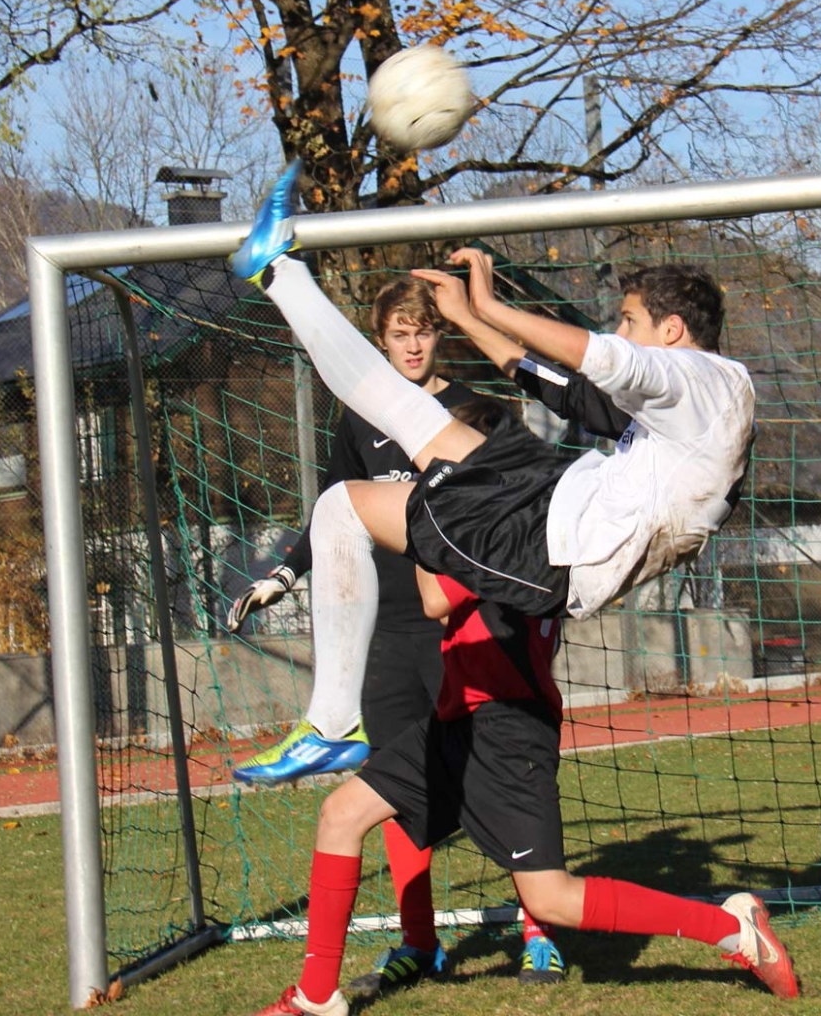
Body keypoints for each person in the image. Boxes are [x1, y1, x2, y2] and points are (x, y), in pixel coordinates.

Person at [228, 159, 755, 778]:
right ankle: (278, 269)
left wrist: (491, 305)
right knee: (397, 425)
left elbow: (598, 358)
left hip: (548, 551)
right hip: (548, 503)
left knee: (344, 503)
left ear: (671, 330)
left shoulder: (699, 382)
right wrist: (474, 321)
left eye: (629, 320)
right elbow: (573, 394)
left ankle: (332, 723)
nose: (619, 330)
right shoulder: (698, 411)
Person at [247, 564, 799, 1016]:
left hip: (506, 728)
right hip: (457, 720)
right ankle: (317, 995)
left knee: (550, 897)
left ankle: (732, 929)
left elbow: (435, 596)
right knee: (341, 813)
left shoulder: (499, 523)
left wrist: (417, 514)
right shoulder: (493, 504)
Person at [228, 296, 568, 984]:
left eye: (422, 333)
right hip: (388, 622)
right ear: (380, 341)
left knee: (508, 764)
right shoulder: (360, 416)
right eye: (398, 335)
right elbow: (333, 503)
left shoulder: (475, 411)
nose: (411, 348)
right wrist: (286, 576)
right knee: (388, 776)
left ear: (438, 335)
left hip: (471, 621)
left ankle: (541, 930)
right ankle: (420, 943)